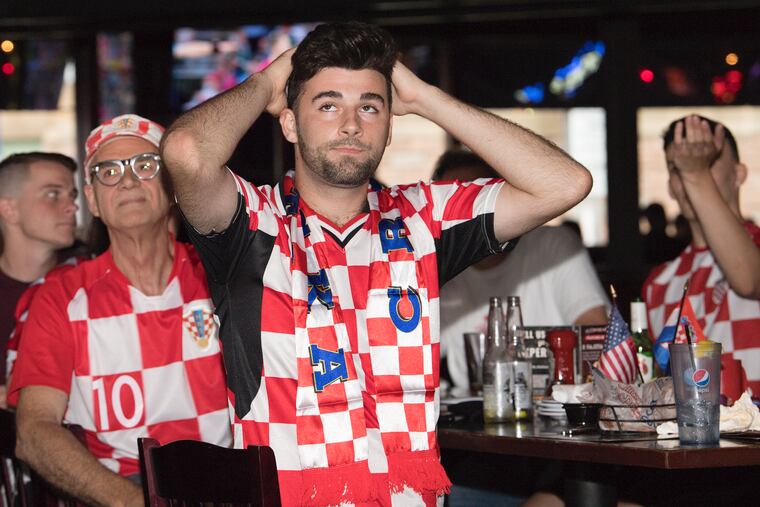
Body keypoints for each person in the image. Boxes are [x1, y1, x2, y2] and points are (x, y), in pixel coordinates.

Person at [161, 21, 591, 507]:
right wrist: (268, 79)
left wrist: (427, 98)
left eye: (370, 106)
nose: (351, 124)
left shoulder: (423, 221)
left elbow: (564, 183)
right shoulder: (253, 223)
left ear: (389, 127)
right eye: (327, 105)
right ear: (289, 121)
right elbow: (186, 153)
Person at [9, 114, 232, 507]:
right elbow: (34, 432)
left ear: (174, 187)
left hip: (232, 485)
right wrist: (134, 503)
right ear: (92, 201)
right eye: (108, 171)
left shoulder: (224, 278)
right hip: (121, 491)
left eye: (145, 166)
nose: (127, 181)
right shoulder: (60, 296)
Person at [434, 150, 609, 391]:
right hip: (478, 420)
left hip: (559, 413)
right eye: (452, 202)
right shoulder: (438, 268)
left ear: (503, 197)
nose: (466, 213)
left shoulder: (553, 245)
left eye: (476, 197)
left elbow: (596, 337)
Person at [643, 115, 760, 395]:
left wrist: (697, 174)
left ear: (739, 174)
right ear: (671, 186)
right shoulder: (657, 283)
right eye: (677, 167)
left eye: (707, 159)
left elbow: (748, 280)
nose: (688, 171)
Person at [0, 152, 78, 407]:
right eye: (53, 194)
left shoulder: (87, 280)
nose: (72, 206)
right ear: (9, 210)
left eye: (72, 195)